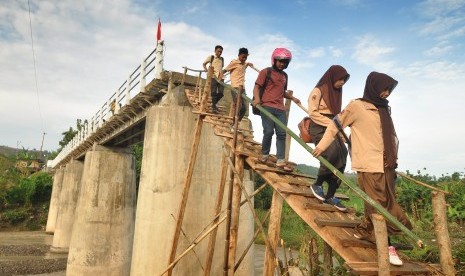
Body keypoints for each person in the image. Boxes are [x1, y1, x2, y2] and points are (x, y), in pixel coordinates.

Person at [312, 71, 412, 266]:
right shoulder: (357, 106)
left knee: (384, 201)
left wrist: (394, 160)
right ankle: (388, 247)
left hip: (387, 165)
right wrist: (322, 146)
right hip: (369, 163)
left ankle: (365, 230)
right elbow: (335, 125)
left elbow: (390, 138)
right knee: (379, 204)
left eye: (389, 90)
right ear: (374, 87)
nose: (386, 94)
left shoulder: (383, 109)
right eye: (384, 89)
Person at [308, 65, 350, 211]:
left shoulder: (336, 95)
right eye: (340, 79)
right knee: (331, 152)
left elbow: (337, 119)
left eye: (344, 80)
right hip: (319, 126)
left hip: (333, 127)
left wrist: (344, 137)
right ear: (332, 76)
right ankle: (317, 183)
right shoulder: (318, 90)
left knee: (343, 155)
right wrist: (332, 124)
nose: (342, 83)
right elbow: (313, 113)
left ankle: (331, 195)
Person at [252, 48, 301, 172]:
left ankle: (280, 160)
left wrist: (293, 98)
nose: (282, 64)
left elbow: (282, 92)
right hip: (267, 106)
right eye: (280, 61)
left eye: (285, 62)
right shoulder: (265, 72)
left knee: (282, 134)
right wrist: (257, 99)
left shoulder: (285, 76)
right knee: (268, 131)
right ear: (274, 60)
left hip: (280, 109)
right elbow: (257, 87)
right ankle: (264, 155)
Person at [203, 45, 224, 114]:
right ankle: (214, 108)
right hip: (213, 77)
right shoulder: (211, 57)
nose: (220, 53)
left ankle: (213, 105)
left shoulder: (222, 59)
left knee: (221, 93)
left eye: (221, 52)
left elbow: (221, 68)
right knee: (214, 92)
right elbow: (204, 64)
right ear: (215, 51)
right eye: (218, 51)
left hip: (221, 78)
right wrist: (206, 70)